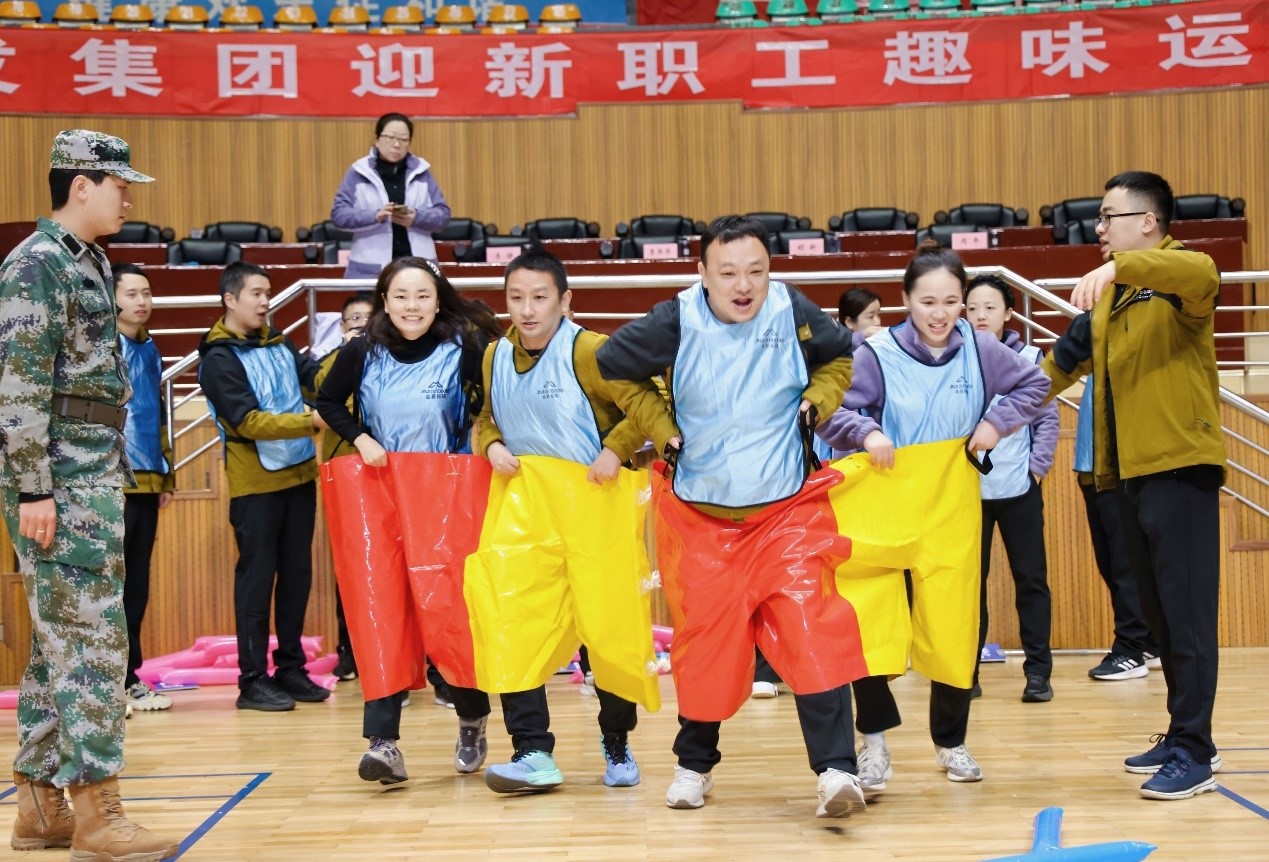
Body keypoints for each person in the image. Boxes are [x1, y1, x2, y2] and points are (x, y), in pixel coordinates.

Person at [597, 215, 868, 819]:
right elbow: (612, 364)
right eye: (728, 274)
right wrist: (660, 425)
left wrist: (816, 402)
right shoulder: (674, 319)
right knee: (707, 648)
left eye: (755, 272)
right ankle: (694, 765)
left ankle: (837, 770)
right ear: (702, 274)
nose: (744, 286)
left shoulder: (793, 310)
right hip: (703, 518)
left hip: (785, 512)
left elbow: (838, 360)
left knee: (811, 628)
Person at [0, 129, 177, 860]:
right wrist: (34, 487)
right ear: (81, 185)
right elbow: (18, 385)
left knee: (60, 645)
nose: (128, 199)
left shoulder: (88, 260)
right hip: (58, 480)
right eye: (119, 186)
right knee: (94, 646)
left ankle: (40, 807)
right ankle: (98, 813)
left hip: (90, 471)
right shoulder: (35, 264)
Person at [816, 241, 1049, 790]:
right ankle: (874, 742)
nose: (940, 314)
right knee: (869, 618)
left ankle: (951, 741)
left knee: (953, 623)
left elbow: (1037, 384)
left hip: (951, 501)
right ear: (906, 300)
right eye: (927, 302)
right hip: (884, 499)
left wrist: (996, 423)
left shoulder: (982, 348)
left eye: (951, 301)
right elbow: (828, 410)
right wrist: (866, 431)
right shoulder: (876, 353)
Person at [1041, 170, 1225, 801]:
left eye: (1108, 216)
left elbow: (1197, 275)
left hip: (1180, 466)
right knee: (1161, 617)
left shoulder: (1182, 275)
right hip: (1129, 474)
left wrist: (1121, 267)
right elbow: (1055, 368)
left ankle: (1196, 752)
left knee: (1189, 617)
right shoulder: (1110, 302)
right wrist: (990, 413)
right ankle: (1183, 734)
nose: (1098, 228)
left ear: (1148, 221)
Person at [475, 249, 675, 794]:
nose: (527, 309)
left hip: (595, 509)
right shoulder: (494, 355)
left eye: (540, 297)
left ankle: (616, 741)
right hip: (527, 515)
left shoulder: (590, 350)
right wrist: (490, 444)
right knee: (514, 621)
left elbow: (652, 402)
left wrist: (615, 449)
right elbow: (486, 416)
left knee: (607, 631)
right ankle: (532, 751)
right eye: (516, 298)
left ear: (565, 301)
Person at [317, 257, 503, 785]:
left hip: (445, 497)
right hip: (380, 493)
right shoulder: (361, 350)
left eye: (422, 295)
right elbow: (327, 399)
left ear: (438, 301)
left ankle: (471, 716)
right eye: (401, 296)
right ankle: (383, 744)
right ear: (384, 301)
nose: (412, 306)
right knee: (381, 607)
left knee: (447, 612)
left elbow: (491, 404)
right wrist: (360, 439)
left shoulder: (464, 347)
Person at [198, 262, 330, 712]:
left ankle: (290, 667)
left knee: (296, 575)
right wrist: (311, 421)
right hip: (255, 484)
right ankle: (252, 678)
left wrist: (350, 355)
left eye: (268, 293)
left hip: (300, 475)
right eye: (255, 293)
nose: (264, 301)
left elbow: (315, 378)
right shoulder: (218, 358)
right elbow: (248, 422)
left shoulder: (280, 342)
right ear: (230, 299)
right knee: (257, 579)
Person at [964, 274, 1059, 703]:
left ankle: (1038, 673)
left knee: (1031, 582)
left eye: (990, 307)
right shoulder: (957, 359)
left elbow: (1047, 419)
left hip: (1019, 489)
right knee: (970, 586)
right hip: (968, 493)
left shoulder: (1031, 358)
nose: (980, 315)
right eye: (972, 308)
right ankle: (965, 673)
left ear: (1008, 313)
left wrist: (1036, 470)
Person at [113, 262, 176, 714]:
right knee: (110, 587)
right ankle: (107, 681)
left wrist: (166, 473)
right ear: (111, 298)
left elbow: (158, 413)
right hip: (112, 480)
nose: (141, 301)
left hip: (148, 480)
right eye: (131, 293)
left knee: (137, 587)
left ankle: (130, 677)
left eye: (147, 293)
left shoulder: (150, 348)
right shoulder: (100, 346)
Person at [1073, 380, 1162, 681]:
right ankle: (1149, 641)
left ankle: (1130, 649)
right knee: (1110, 565)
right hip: (1092, 470)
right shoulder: (1094, 359)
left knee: (1126, 568)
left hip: (1118, 471)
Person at [315, 291, 374, 683]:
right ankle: (349, 651)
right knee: (350, 567)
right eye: (354, 320)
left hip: (385, 468)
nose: (362, 326)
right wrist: (346, 354)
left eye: (369, 319)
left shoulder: (389, 358)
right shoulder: (329, 361)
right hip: (345, 470)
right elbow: (321, 397)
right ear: (341, 326)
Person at [330, 112, 451, 278]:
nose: (397, 144)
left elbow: (443, 215)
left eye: (404, 139)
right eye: (390, 137)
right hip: (370, 270)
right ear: (377, 139)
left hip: (419, 268)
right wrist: (375, 216)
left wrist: (416, 217)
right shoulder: (358, 172)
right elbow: (338, 215)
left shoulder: (421, 172)